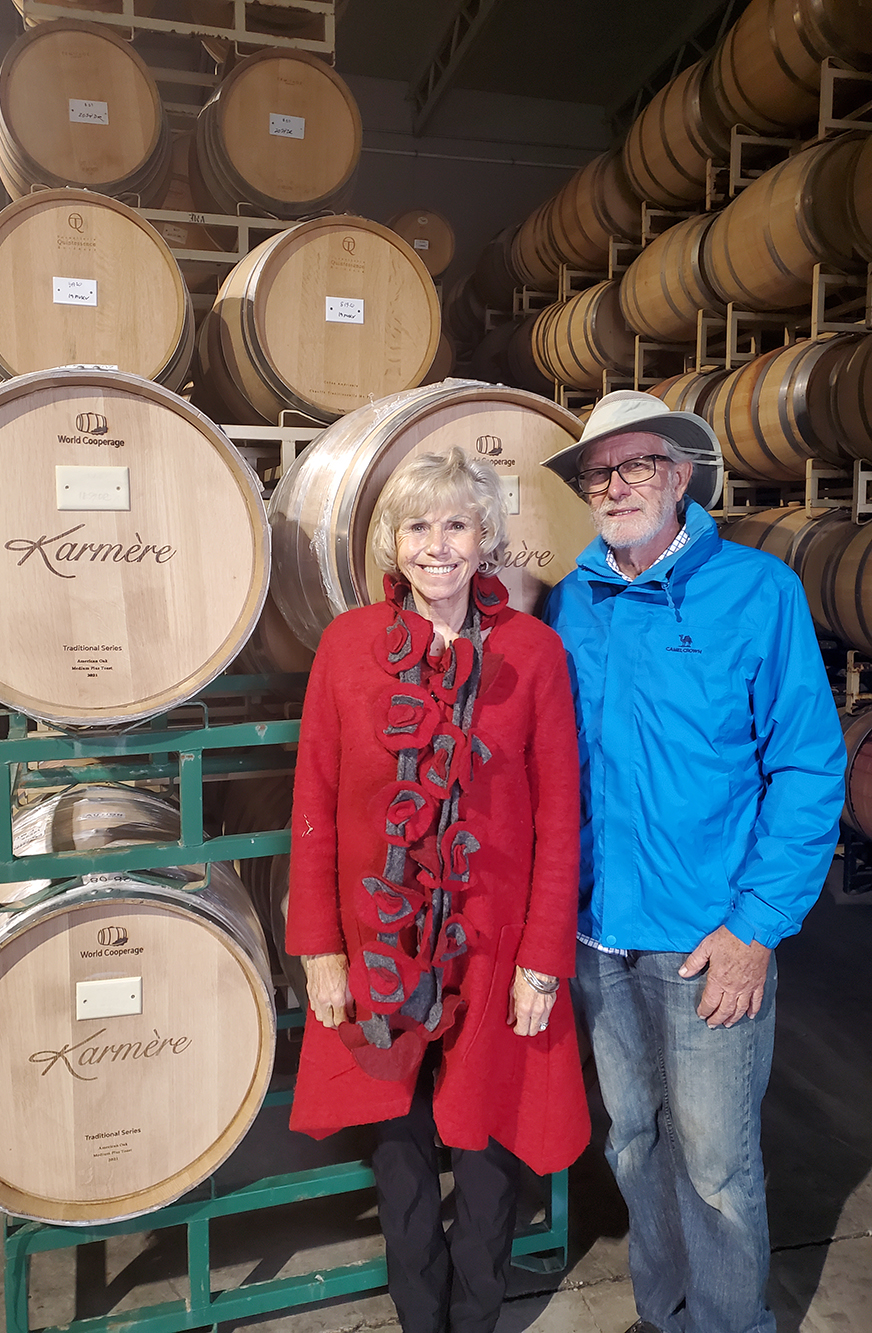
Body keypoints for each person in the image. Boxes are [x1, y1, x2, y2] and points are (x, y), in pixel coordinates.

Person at [541, 391, 847, 1333]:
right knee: (633, 1143)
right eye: (602, 471)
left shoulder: (758, 592)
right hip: (602, 935)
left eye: (638, 466)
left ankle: (727, 1323)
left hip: (710, 938)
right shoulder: (570, 601)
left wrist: (757, 925)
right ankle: (663, 1311)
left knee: (715, 1162)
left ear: (679, 475)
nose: (618, 485)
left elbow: (806, 763)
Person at [285, 446, 590, 1333]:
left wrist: (542, 962)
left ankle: (478, 1311)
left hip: (496, 946)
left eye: (457, 523)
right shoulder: (345, 649)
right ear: (392, 541)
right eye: (418, 526)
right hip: (380, 945)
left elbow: (560, 819)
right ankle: (422, 1316)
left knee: (487, 1144)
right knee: (402, 1148)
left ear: (486, 535)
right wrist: (320, 951)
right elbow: (315, 804)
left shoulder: (533, 653)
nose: (438, 545)